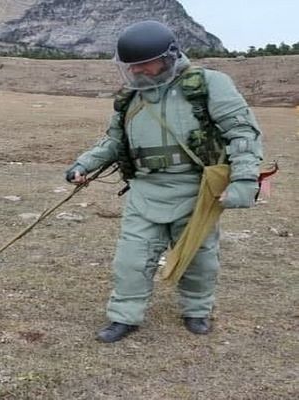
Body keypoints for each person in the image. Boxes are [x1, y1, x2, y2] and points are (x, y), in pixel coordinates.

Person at [65, 21, 263, 343]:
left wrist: (243, 180)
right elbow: (113, 142)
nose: (139, 70)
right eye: (133, 65)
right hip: (145, 191)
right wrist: (83, 164)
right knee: (131, 259)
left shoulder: (210, 84)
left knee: (199, 258)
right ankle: (124, 316)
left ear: (170, 55)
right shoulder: (130, 97)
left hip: (198, 192)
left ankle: (197, 310)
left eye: (146, 62)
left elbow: (241, 133)